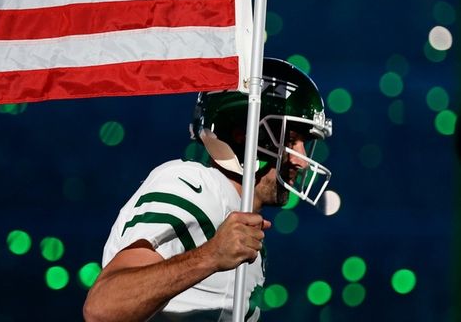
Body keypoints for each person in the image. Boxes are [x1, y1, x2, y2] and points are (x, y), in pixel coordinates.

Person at [83, 58, 333, 322]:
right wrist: (210, 256)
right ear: (243, 134)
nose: (302, 160)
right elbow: (103, 308)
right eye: (291, 139)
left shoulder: (241, 225)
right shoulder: (194, 185)